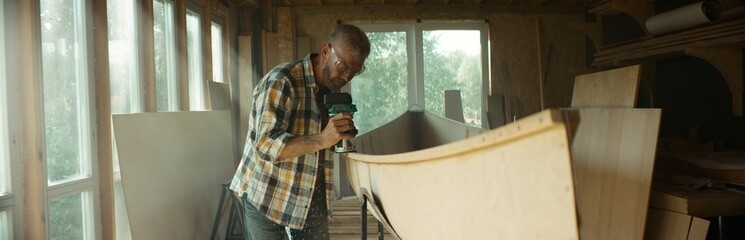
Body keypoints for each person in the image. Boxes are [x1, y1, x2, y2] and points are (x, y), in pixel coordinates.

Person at [229, 23, 371, 240]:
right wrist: (323, 138)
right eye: (342, 66)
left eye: (355, 71)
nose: (346, 77)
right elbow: (266, 146)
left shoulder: (330, 88)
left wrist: (337, 137)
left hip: (308, 197)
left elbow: (317, 146)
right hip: (267, 197)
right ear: (325, 51)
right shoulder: (282, 81)